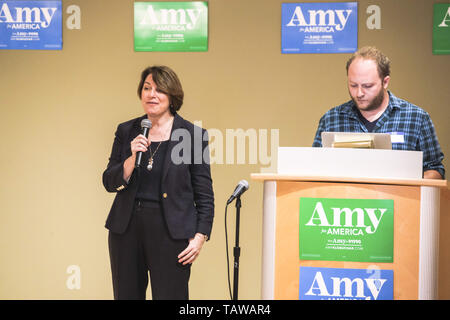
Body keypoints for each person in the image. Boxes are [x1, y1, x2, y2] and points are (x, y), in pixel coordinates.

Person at [102, 65, 214, 300]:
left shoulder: (192, 136)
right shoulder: (127, 130)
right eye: (146, 88)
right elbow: (109, 181)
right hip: (126, 229)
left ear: (172, 96)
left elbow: (204, 194)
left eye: (159, 89)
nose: (152, 94)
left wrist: (200, 236)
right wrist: (131, 159)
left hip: (171, 232)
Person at [312, 46, 445, 179]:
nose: (359, 93)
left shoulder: (417, 118)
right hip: (343, 198)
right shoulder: (331, 119)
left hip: (397, 198)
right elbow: (313, 168)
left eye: (367, 86)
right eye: (353, 85)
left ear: (385, 82)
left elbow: (435, 169)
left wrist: (406, 185)